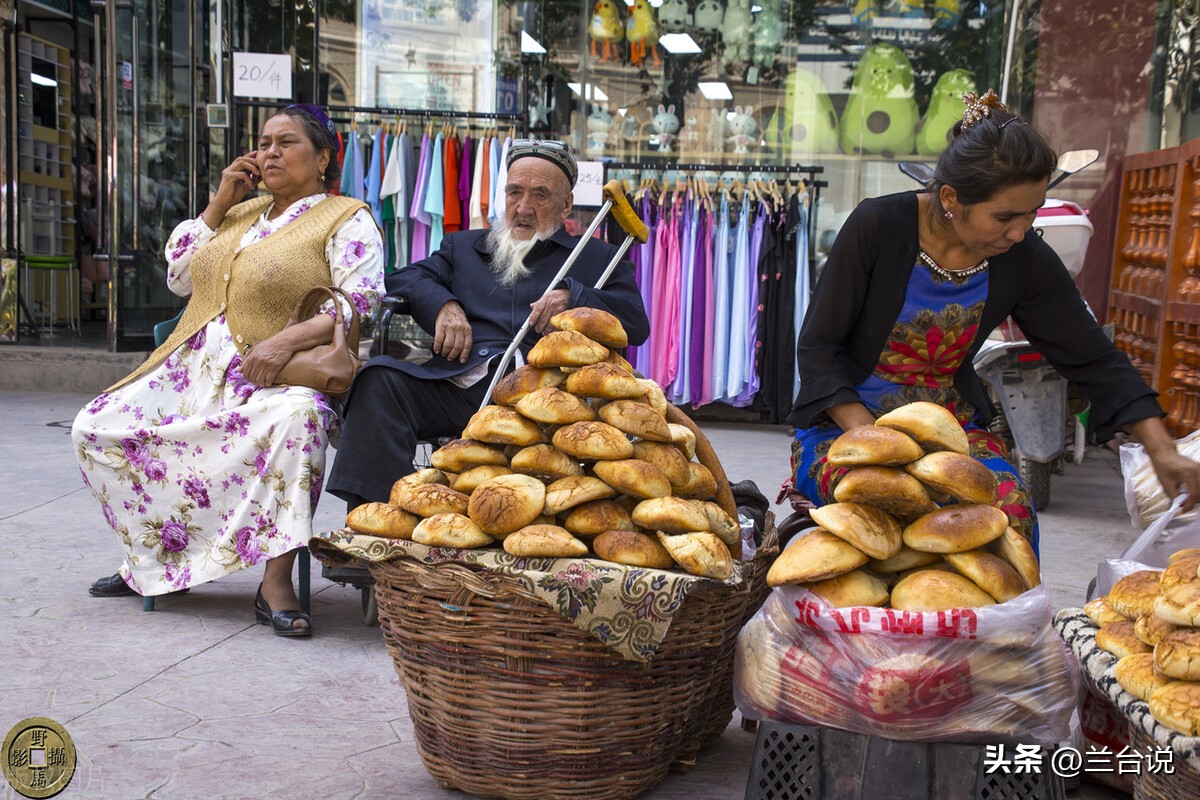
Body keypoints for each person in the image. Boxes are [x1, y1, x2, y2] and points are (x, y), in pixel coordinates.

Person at [788, 90, 1200, 555]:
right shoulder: (877, 226)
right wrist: (874, 442)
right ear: (950, 198)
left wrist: (1162, 449)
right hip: (847, 430)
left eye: (1032, 213)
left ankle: (995, 629)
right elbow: (819, 349)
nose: (1020, 231)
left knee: (1009, 516)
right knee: (882, 506)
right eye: (1005, 216)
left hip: (953, 431)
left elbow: (1091, 355)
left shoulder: (1022, 256)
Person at [73, 104, 384, 637]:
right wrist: (220, 201)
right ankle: (156, 559)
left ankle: (275, 583)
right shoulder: (240, 211)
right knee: (93, 428)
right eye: (263, 143)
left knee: (300, 420)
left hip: (276, 376)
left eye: (286, 142)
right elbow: (177, 276)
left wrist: (281, 342)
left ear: (324, 158)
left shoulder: (345, 216)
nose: (269, 153)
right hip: (188, 370)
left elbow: (361, 301)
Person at [328, 139, 650, 509]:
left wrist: (575, 298)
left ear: (566, 205)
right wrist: (444, 305)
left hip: (549, 400)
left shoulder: (596, 257)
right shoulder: (464, 247)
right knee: (378, 378)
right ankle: (379, 519)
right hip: (463, 387)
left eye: (540, 195)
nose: (523, 208)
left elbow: (635, 323)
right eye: (514, 192)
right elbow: (404, 278)